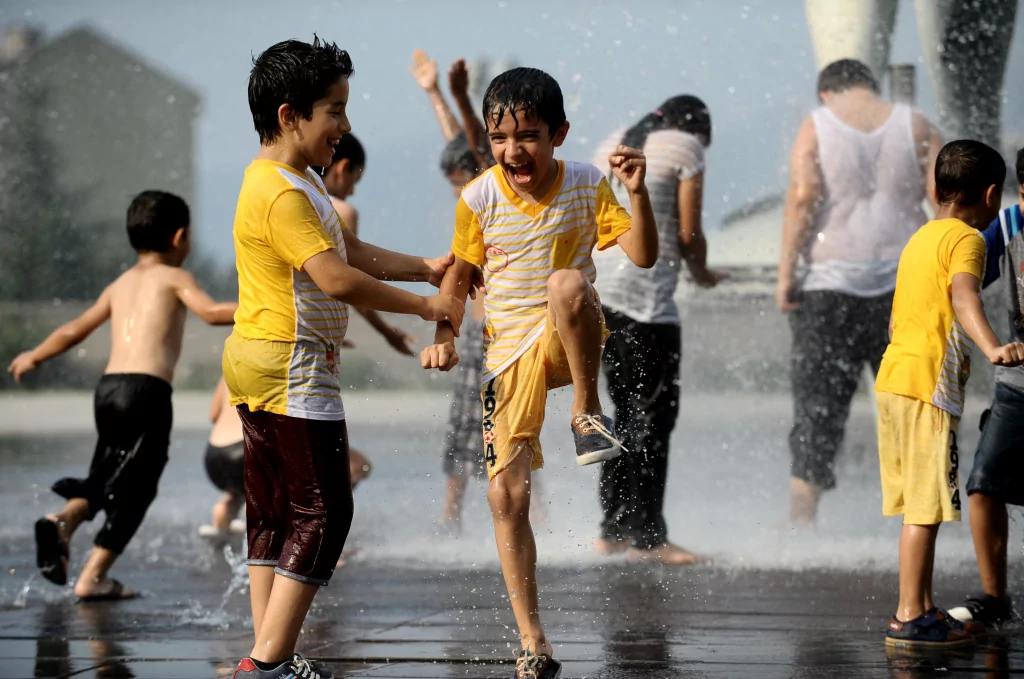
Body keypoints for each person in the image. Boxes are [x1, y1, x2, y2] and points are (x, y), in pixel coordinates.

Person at [226, 37, 464, 679]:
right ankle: (268, 663)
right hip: (291, 362)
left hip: (259, 359)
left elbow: (348, 248)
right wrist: (427, 309)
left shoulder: (294, 181)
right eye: (334, 109)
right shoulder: (280, 192)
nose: (346, 125)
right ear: (288, 115)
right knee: (327, 509)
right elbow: (334, 278)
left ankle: (267, 651)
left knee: (276, 511)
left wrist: (424, 268)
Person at [421, 66, 658, 679]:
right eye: (501, 138)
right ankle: (533, 641)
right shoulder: (477, 196)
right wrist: (444, 334)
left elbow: (644, 255)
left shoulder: (585, 182)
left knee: (569, 281)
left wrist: (637, 190)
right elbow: (459, 275)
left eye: (527, 136)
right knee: (507, 494)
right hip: (507, 356)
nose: (511, 151)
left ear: (558, 134)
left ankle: (587, 412)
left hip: (569, 334)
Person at [7, 190, 236, 601]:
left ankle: (66, 524)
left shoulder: (120, 284)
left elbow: (74, 328)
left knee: (107, 475)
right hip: (147, 392)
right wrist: (272, 307)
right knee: (139, 487)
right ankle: (92, 575)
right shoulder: (175, 277)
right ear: (180, 237)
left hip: (108, 390)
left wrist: (34, 355)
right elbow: (212, 313)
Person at [776, 58, 943, 525]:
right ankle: (922, 524)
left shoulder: (818, 125)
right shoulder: (916, 125)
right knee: (913, 404)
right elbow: (947, 201)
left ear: (826, 92)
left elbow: (803, 196)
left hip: (830, 286)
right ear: (869, 86)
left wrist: (786, 273)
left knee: (817, 405)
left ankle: (800, 521)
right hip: (904, 284)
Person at [875, 139, 1024, 647]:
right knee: (927, 507)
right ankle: (910, 615)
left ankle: (917, 607)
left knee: (919, 505)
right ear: (989, 195)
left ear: (937, 189)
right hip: (927, 387)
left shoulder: (919, 238)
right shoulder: (968, 240)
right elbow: (964, 297)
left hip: (894, 380)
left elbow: (897, 319)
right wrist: (994, 347)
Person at [591, 95, 727, 565]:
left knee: (622, 414)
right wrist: (704, 274)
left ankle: (611, 532)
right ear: (698, 128)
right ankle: (649, 538)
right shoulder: (687, 146)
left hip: (600, 298)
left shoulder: (615, 139)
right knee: (653, 420)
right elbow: (688, 235)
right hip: (647, 305)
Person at [410, 50, 494, 532]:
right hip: (476, 326)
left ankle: (461, 515)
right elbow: (457, 141)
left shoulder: (488, 184)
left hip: (493, 326)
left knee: (493, 423)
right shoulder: (470, 185)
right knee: (470, 422)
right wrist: (433, 93)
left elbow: (475, 145)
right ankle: (451, 516)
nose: (455, 193)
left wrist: (457, 96)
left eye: (458, 183)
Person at [948, 147, 1024, 628]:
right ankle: (995, 598)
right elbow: (963, 283)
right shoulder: (1012, 224)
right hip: (1018, 380)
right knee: (983, 485)